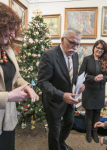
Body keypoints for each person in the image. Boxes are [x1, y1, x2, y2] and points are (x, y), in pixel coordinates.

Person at [37, 28, 85, 150]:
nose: (74, 47)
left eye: (77, 44)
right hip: (53, 101)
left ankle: (61, 142)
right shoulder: (49, 55)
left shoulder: (74, 56)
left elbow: (71, 78)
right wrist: (62, 95)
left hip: (69, 100)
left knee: (69, 122)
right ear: (62, 39)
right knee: (54, 131)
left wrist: (79, 86)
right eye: (72, 43)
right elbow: (43, 82)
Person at [0, 2, 38, 150]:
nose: (13, 34)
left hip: (8, 119)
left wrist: (28, 86)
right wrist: (8, 97)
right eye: (10, 29)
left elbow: (16, 76)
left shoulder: (6, 49)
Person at [79, 40, 107, 143]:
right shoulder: (87, 59)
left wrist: (103, 77)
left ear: (104, 50)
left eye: (102, 48)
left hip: (99, 91)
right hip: (88, 90)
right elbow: (81, 74)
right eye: (98, 47)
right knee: (89, 112)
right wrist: (94, 78)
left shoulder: (105, 60)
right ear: (94, 48)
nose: (99, 50)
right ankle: (88, 133)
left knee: (97, 112)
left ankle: (95, 132)